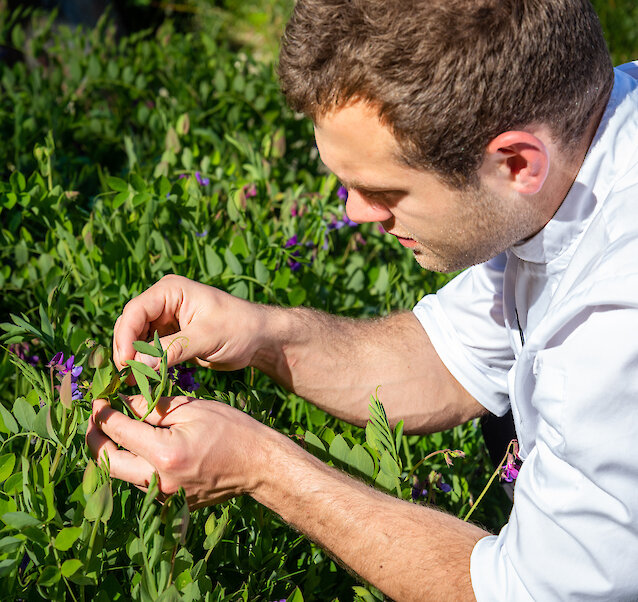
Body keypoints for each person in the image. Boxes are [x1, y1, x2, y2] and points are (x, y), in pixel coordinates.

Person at [86, 0, 638, 599]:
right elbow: (452, 361)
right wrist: (263, 334)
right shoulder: (575, 146)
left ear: (514, 162)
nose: (353, 213)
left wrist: (262, 467)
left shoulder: (614, 323)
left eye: (383, 190)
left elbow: (525, 593)